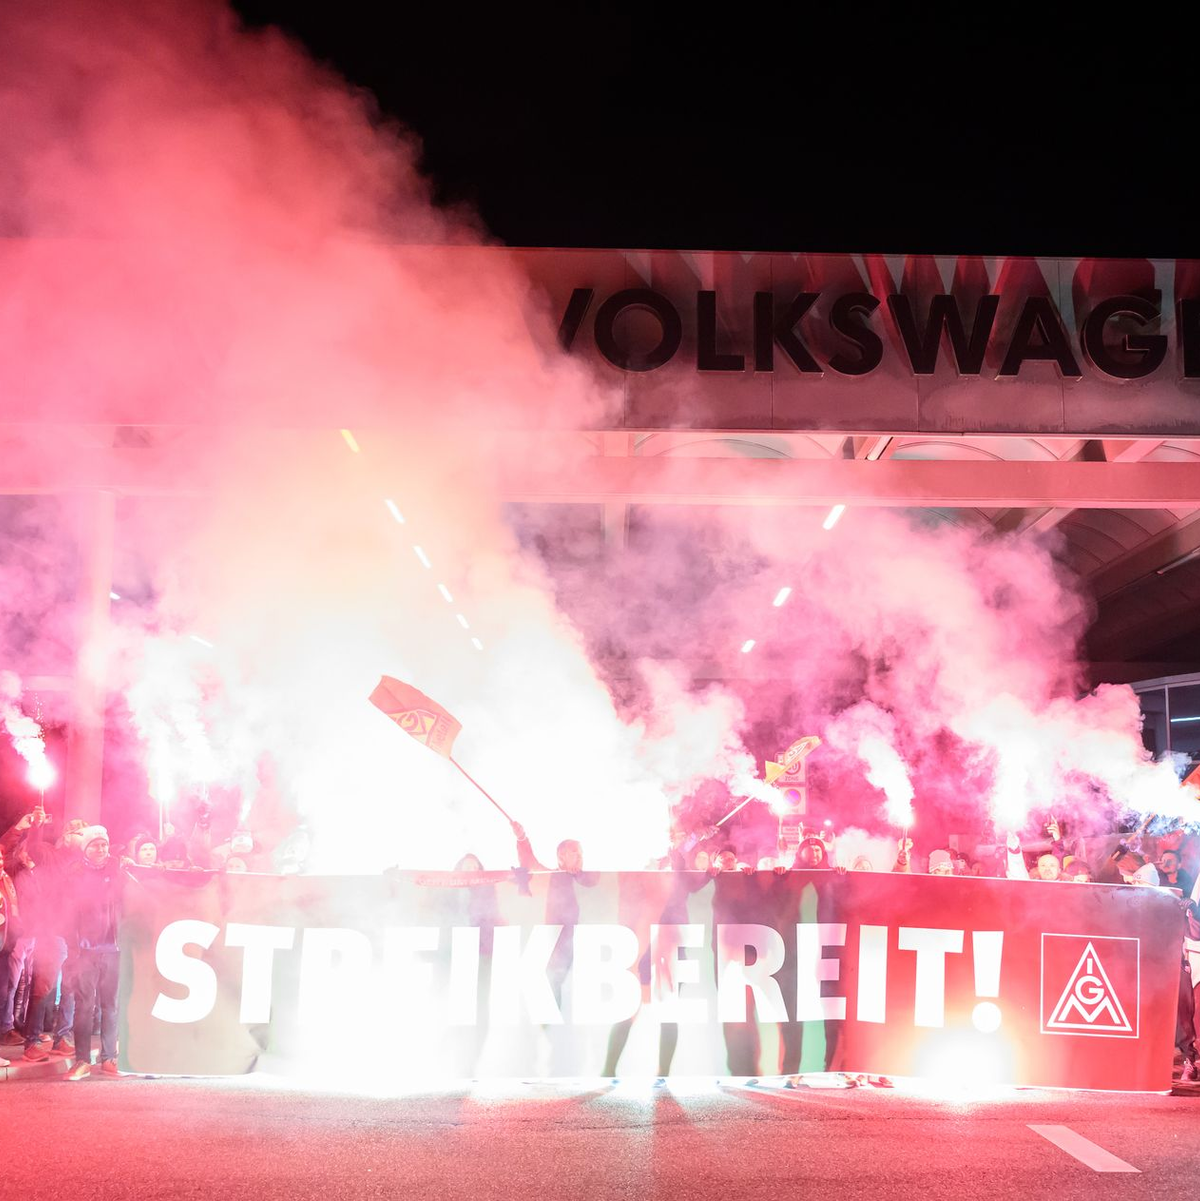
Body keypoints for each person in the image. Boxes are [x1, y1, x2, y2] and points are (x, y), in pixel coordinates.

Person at [65, 826, 122, 1080]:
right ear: (85, 848)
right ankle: (82, 1061)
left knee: (110, 1006)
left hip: (113, 949)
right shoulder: (74, 874)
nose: (101, 849)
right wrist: (72, 946)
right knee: (84, 1007)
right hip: (85, 950)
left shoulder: (118, 869)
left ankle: (109, 1059)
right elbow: (63, 911)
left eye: (104, 844)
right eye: (95, 845)